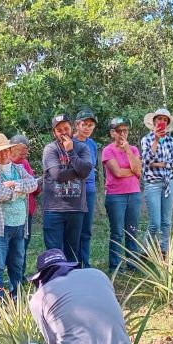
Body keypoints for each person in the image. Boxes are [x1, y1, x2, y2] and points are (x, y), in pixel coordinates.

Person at [0, 133, 38, 307]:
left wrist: (13, 185)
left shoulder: (18, 168)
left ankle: (15, 302)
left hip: (19, 225)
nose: (3, 155)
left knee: (17, 266)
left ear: (10, 151)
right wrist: (20, 189)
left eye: (6, 151)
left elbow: (33, 184)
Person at [41, 114, 93, 263]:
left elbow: (86, 172)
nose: (63, 132)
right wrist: (79, 172)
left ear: (71, 128)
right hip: (53, 208)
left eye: (66, 128)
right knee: (54, 252)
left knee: (73, 250)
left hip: (76, 208)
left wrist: (70, 151)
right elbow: (57, 174)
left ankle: (73, 283)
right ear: (54, 133)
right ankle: (56, 284)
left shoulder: (82, 148)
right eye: (59, 130)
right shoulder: (50, 149)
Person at [102, 117, 142, 272]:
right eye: (119, 131)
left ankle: (133, 264)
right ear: (112, 133)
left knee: (132, 231)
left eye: (125, 130)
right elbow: (117, 172)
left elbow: (138, 170)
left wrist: (127, 151)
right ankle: (116, 266)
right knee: (117, 232)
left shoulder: (133, 149)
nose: (122, 134)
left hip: (134, 194)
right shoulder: (108, 150)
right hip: (116, 196)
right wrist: (132, 171)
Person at [140, 108, 173, 254]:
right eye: (159, 119)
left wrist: (161, 164)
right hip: (153, 183)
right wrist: (156, 140)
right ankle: (144, 252)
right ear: (154, 121)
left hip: (169, 182)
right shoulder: (147, 139)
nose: (162, 122)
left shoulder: (171, 140)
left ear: (168, 123)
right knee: (155, 223)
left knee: (167, 222)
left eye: (165, 120)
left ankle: (164, 252)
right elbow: (146, 161)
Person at [9, 134, 41, 266]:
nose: (24, 153)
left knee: (23, 245)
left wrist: (38, 184)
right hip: (10, 213)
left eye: (26, 149)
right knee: (11, 247)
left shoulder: (25, 163)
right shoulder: (5, 164)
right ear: (11, 148)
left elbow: (33, 187)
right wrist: (26, 185)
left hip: (27, 211)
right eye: (20, 149)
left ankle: (19, 278)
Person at [74, 110, 98, 268]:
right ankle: (73, 263)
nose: (87, 128)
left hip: (89, 188)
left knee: (86, 229)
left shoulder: (92, 144)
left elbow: (92, 166)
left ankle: (86, 264)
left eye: (90, 125)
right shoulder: (69, 142)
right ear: (77, 125)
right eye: (84, 124)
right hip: (74, 189)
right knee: (74, 228)